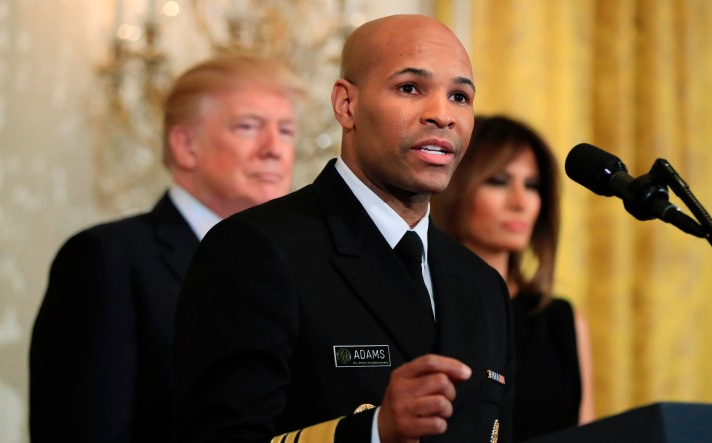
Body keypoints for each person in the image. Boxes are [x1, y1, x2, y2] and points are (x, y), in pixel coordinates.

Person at [173, 14, 514, 443]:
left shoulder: (483, 285)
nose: (442, 115)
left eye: (460, 96)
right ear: (346, 105)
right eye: (410, 88)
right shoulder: (256, 250)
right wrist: (373, 431)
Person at [29, 54, 304, 442]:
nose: (274, 148)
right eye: (248, 127)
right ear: (185, 145)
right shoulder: (107, 258)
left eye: (287, 131)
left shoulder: (300, 262)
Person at [431, 115, 595, 441]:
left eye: (532, 186)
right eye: (499, 181)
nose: (521, 203)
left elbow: (586, 432)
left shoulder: (563, 322)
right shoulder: (425, 302)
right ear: (455, 186)